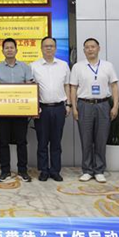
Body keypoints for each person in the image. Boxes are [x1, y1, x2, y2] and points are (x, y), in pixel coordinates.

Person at [69, 38, 119, 184]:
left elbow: (114, 86)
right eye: (87, 47)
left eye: (93, 46)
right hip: (84, 105)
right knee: (86, 139)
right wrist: (74, 108)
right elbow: (73, 88)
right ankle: (87, 170)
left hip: (103, 105)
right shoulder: (78, 67)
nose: (90, 49)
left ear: (99, 48)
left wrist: (115, 106)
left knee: (101, 139)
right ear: (83, 50)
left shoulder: (108, 66)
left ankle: (99, 171)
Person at [0, 38, 34, 182]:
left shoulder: (25, 67)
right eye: (6, 48)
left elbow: (30, 88)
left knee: (22, 142)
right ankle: (5, 171)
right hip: (3, 111)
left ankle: (23, 171)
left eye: (12, 47)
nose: (9, 50)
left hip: (21, 111)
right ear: (2, 51)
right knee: (3, 142)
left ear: (16, 50)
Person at [30, 36, 71, 182]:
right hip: (42, 109)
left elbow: (67, 85)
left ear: (55, 48)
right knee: (42, 142)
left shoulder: (63, 65)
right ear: (41, 48)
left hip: (59, 108)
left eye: (51, 46)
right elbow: (30, 88)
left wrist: (68, 104)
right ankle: (43, 170)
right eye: (46, 46)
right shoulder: (33, 66)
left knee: (56, 142)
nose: (49, 48)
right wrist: (33, 108)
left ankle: (55, 170)